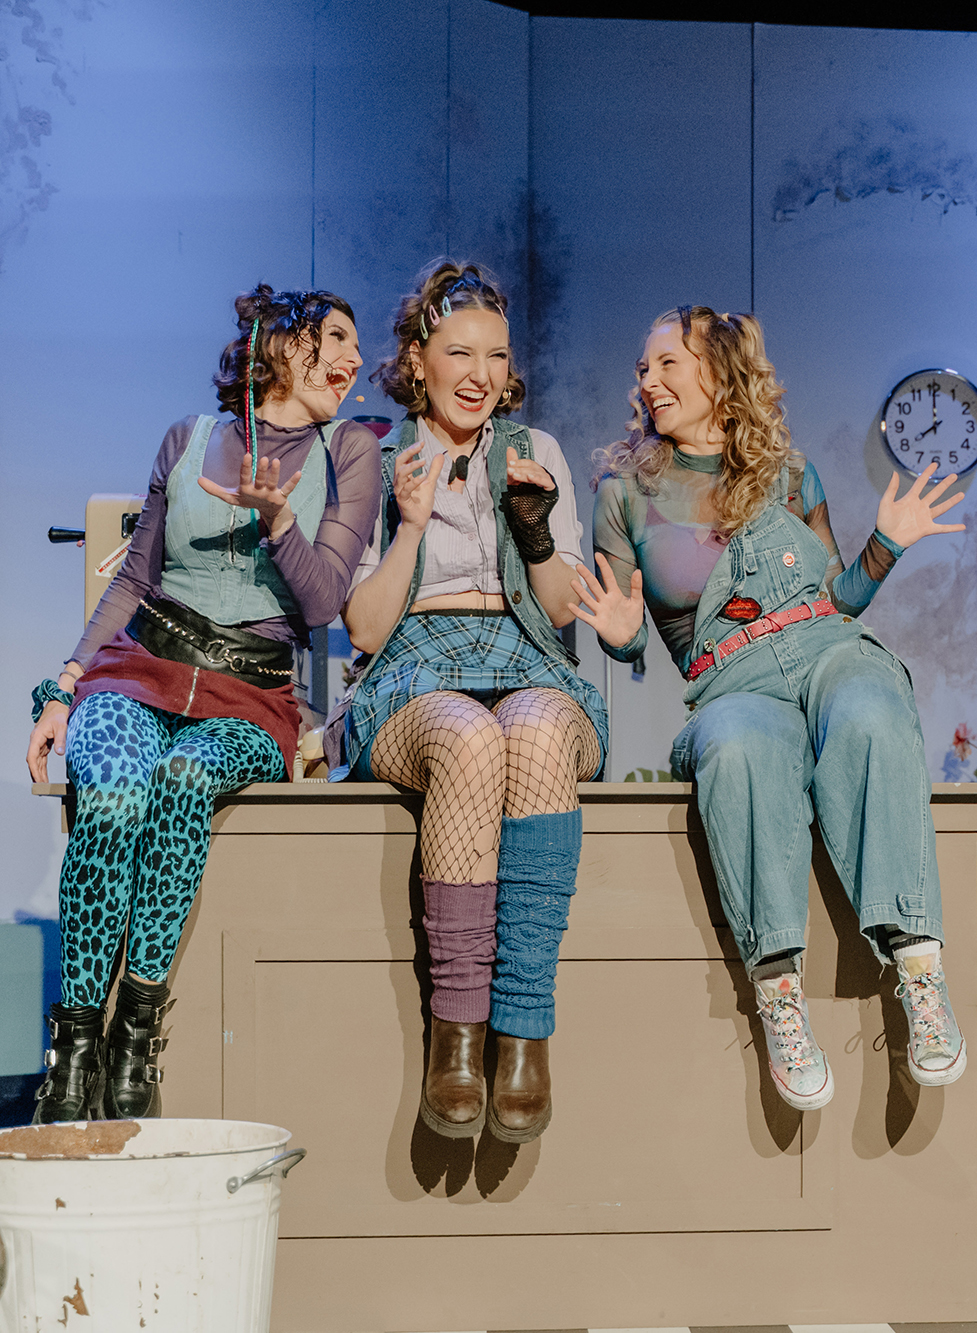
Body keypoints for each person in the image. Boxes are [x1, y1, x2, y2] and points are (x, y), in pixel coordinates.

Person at [575, 306, 967, 1111]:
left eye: (667, 363)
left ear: (718, 372)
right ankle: (780, 995)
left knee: (870, 706)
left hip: (824, 644)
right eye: (644, 368)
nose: (648, 380)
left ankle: (921, 971)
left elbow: (837, 598)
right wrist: (620, 635)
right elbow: (631, 634)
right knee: (738, 745)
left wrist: (886, 544)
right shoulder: (624, 494)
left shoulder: (789, 473)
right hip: (731, 677)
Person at [25, 286, 381, 1123]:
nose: (354, 359)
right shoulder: (187, 439)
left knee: (185, 779)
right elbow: (134, 580)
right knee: (113, 790)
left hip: (250, 698)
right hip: (139, 665)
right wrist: (66, 684)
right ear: (281, 345)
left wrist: (279, 523)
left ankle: (136, 1038)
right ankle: (76, 1045)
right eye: (335, 338)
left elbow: (324, 602)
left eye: (356, 345)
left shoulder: (350, 452)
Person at [334, 260, 606, 1144]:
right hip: (415, 661)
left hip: (525, 652)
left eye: (496, 355)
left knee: (534, 729)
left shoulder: (537, 452)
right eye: (460, 352)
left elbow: (561, 611)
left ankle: (524, 1031)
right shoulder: (375, 458)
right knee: (468, 735)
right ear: (419, 360)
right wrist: (410, 523)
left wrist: (535, 529)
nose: (481, 374)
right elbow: (364, 627)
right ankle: (456, 1035)